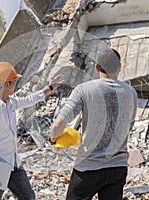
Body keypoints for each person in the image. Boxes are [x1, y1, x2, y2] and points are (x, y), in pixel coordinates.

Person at [50, 48, 137, 200]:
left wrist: (53, 138)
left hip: (87, 167)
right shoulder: (131, 93)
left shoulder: (84, 89)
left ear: (97, 67)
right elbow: (129, 126)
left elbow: (58, 125)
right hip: (117, 167)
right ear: (119, 67)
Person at [0, 62, 64, 200]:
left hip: (14, 164)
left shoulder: (11, 102)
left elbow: (30, 99)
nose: (16, 84)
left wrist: (50, 87)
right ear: (7, 84)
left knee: (28, 197)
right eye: (14, 81)